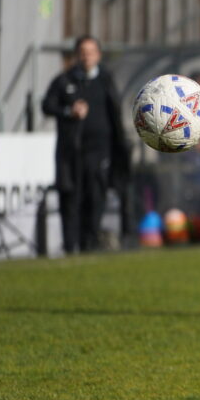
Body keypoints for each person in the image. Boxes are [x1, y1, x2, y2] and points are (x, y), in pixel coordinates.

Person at [40, 36, 129, 254]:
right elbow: (47, 105)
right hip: (72, 152)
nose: (87, 56)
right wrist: (69, 111)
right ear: (77, 55)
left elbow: (115, 114)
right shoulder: (64, 81)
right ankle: (70, 245)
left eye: (91, 51)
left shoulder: (106, 80)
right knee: (71, 197)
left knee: (95, 196)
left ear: (98, 55)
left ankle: (90, 242)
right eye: (83, 51)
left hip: (99, 151)